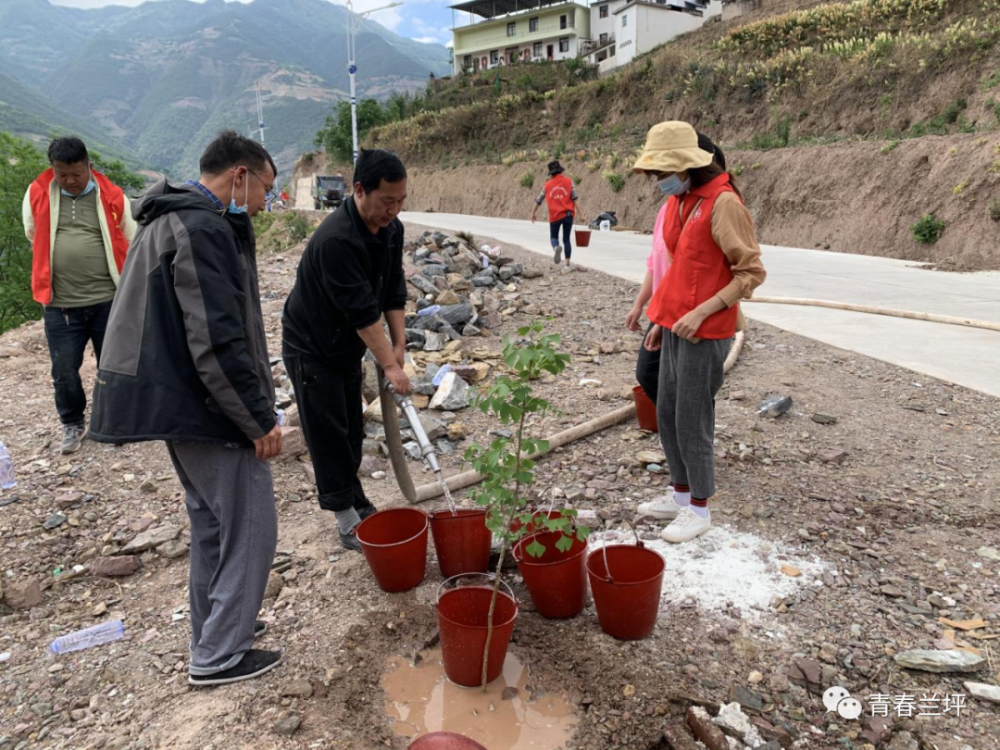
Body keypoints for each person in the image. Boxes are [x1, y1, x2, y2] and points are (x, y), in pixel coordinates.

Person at [89, 131, 284, 686]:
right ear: (239, 176)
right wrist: (256, 419)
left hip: (180, 403)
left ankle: (216, 631)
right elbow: (216, 341)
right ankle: (221, 654)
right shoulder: (201, 228)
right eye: (264, 189)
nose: (265, 203)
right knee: (252, 525)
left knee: (212, 527)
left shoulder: (171, 219)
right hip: (205, 406)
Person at [633, 121, 766, 544]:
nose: (658, 181)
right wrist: (661, 319)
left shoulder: (724, 204)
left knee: (693, 417)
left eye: (662, 173)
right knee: (669, 411)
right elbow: (677, 271)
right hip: (676, 324)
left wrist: (702, 312)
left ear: (687, 165)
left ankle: (700, 508)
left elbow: (750, 273)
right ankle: (679, 493)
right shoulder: (682, 201)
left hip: (706, 331)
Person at [282, 149, 411, 552]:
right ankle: (345, 521)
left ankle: (355, 501)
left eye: (400, 201)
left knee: (352, 429)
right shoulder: (337, 239)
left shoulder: (391, 229)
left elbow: (391, 290)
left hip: (347, 345)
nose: (393, 209)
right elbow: (360, 311)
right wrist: (389, 364)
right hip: (311, 346)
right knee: (328, 432)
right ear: (359, 190)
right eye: (386, 201)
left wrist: (400, 344)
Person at [22, 136, 136, 454]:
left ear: (89, 166)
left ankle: (113, 421)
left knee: (112, 365)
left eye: (76, 174)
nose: (70, 181)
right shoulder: (38, 193)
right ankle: (72, 422)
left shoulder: (112, 196)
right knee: (63, 370)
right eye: (62, 175)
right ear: (53, 170)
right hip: (60, 304)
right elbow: (31, 231)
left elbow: (132, 236)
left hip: (108, 299)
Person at [531, 160, 584, 267]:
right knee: (566, 239)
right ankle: (567, 264)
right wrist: (581, 214)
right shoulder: (569, 182)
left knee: (554, 238)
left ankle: (556, 248)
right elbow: (575, 198)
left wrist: (533, 212)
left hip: (555, 216)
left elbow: (538, 200)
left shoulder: (547, 185)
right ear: (560, 170)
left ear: (550, 173)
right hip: (568, 215)